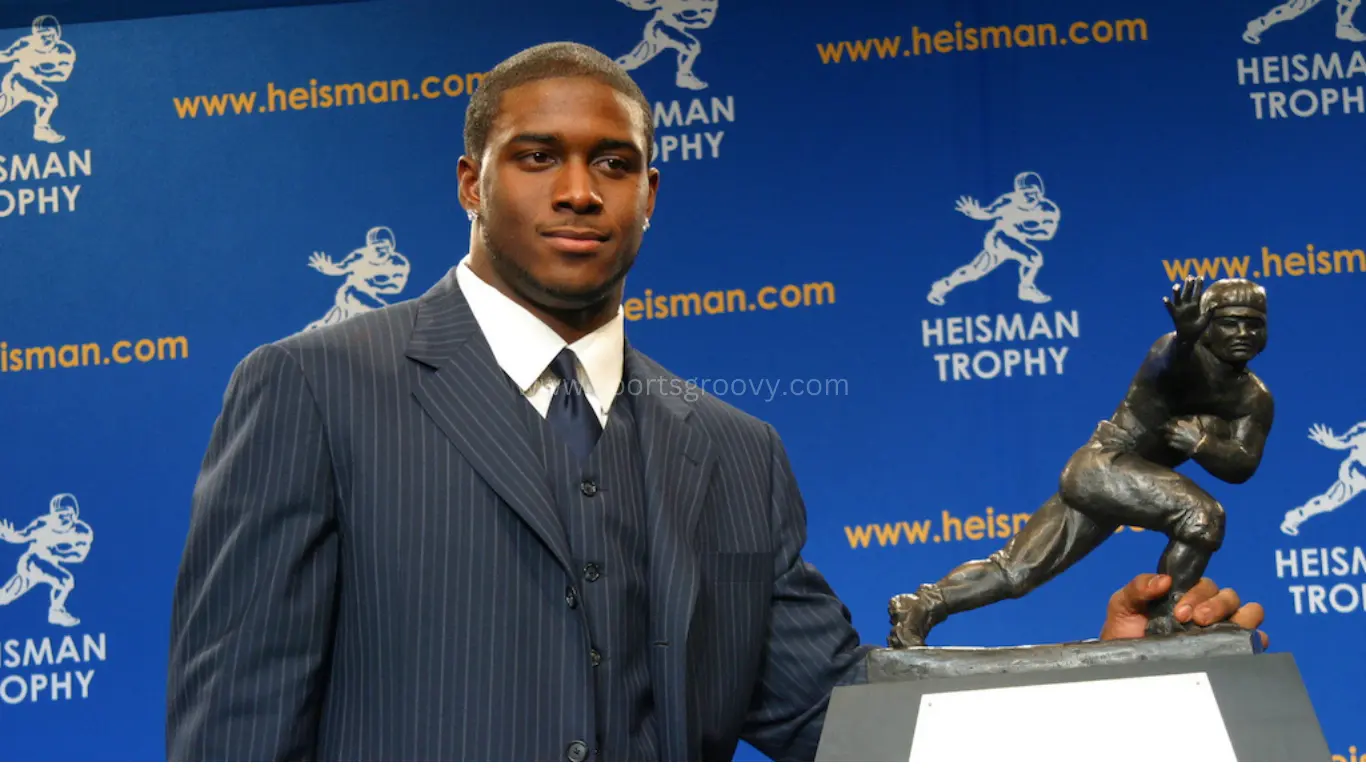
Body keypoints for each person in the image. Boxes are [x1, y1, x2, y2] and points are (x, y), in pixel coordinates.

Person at [165, 43, 1267, 762]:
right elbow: (232, 731)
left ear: (652, 193)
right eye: (535, 156)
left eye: (614, 162)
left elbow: (846, 726)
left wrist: (1113, 667)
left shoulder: (735, 453)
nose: (578, 189)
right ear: (470, 182)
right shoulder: (312, 389)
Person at [890, 276, 1273, 646]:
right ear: (1206, 325)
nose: (1242, 334)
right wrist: (1186, 337)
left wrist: (1202, 443)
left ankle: (922, 605)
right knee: (1202, 514)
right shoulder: (1174, 353)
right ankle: (1169, 619)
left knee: (1016, 571)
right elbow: (1173, 367)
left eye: (1253, 325)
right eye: (1229, 323)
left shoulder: (1254, 399)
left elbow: (1242, 465)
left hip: (1129, 484)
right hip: (1102, 466)